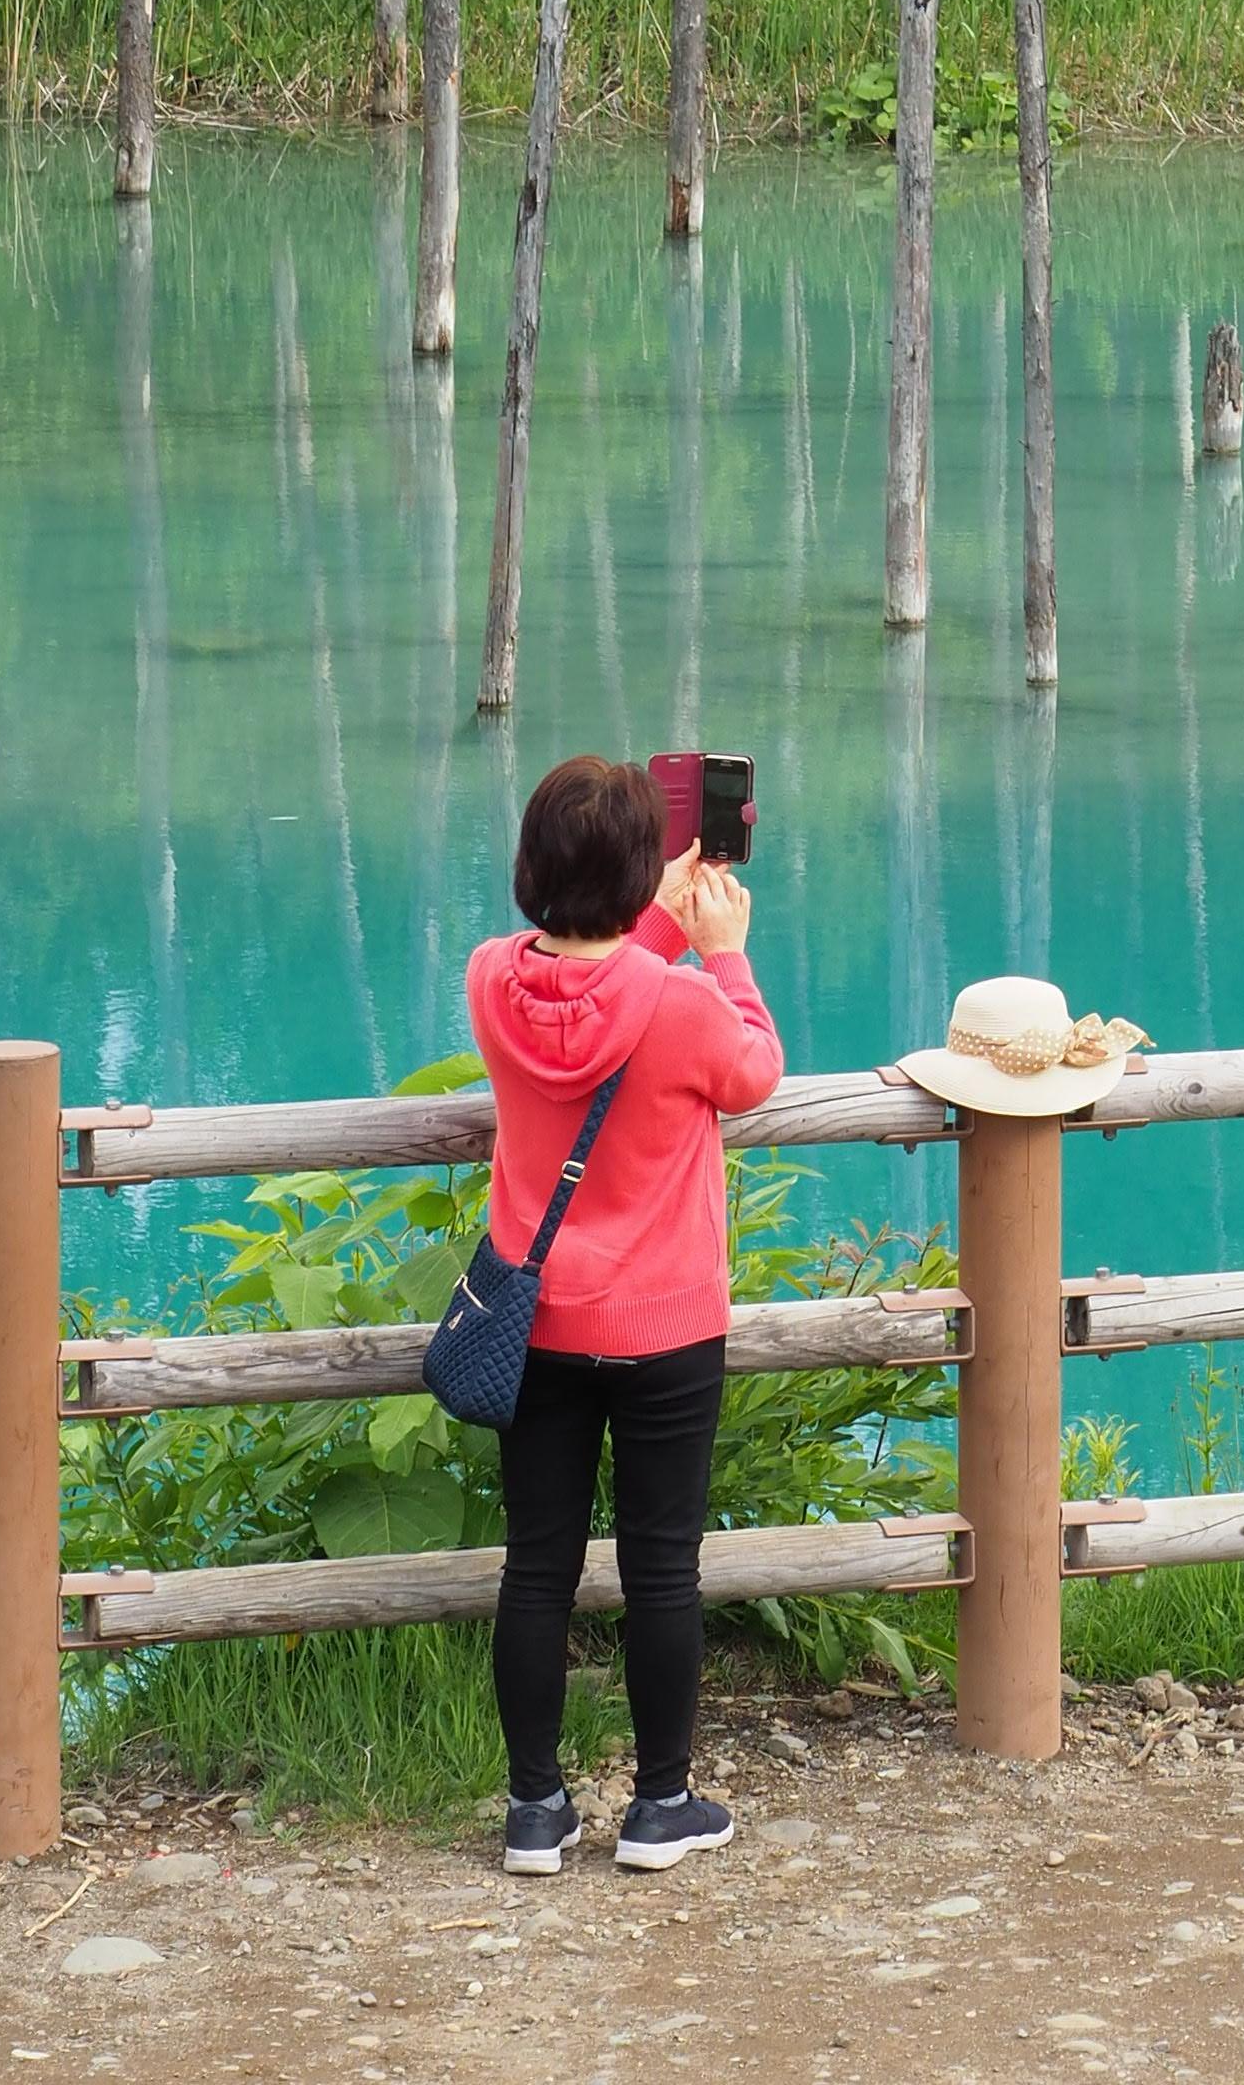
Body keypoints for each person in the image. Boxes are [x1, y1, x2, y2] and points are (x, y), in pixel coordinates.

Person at [467, 754, 780, 1876]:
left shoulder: (491, 982)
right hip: (666, 1327)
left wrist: (642, 914)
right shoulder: (688, 1002)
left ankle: (535, 1811)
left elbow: (586, 991)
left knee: (536, 1569)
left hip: (535, 1322)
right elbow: (755, 1073)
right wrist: (724, 951)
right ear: (645, 871)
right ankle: (659, 1806)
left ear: (530, 868)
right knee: (662, 1571)